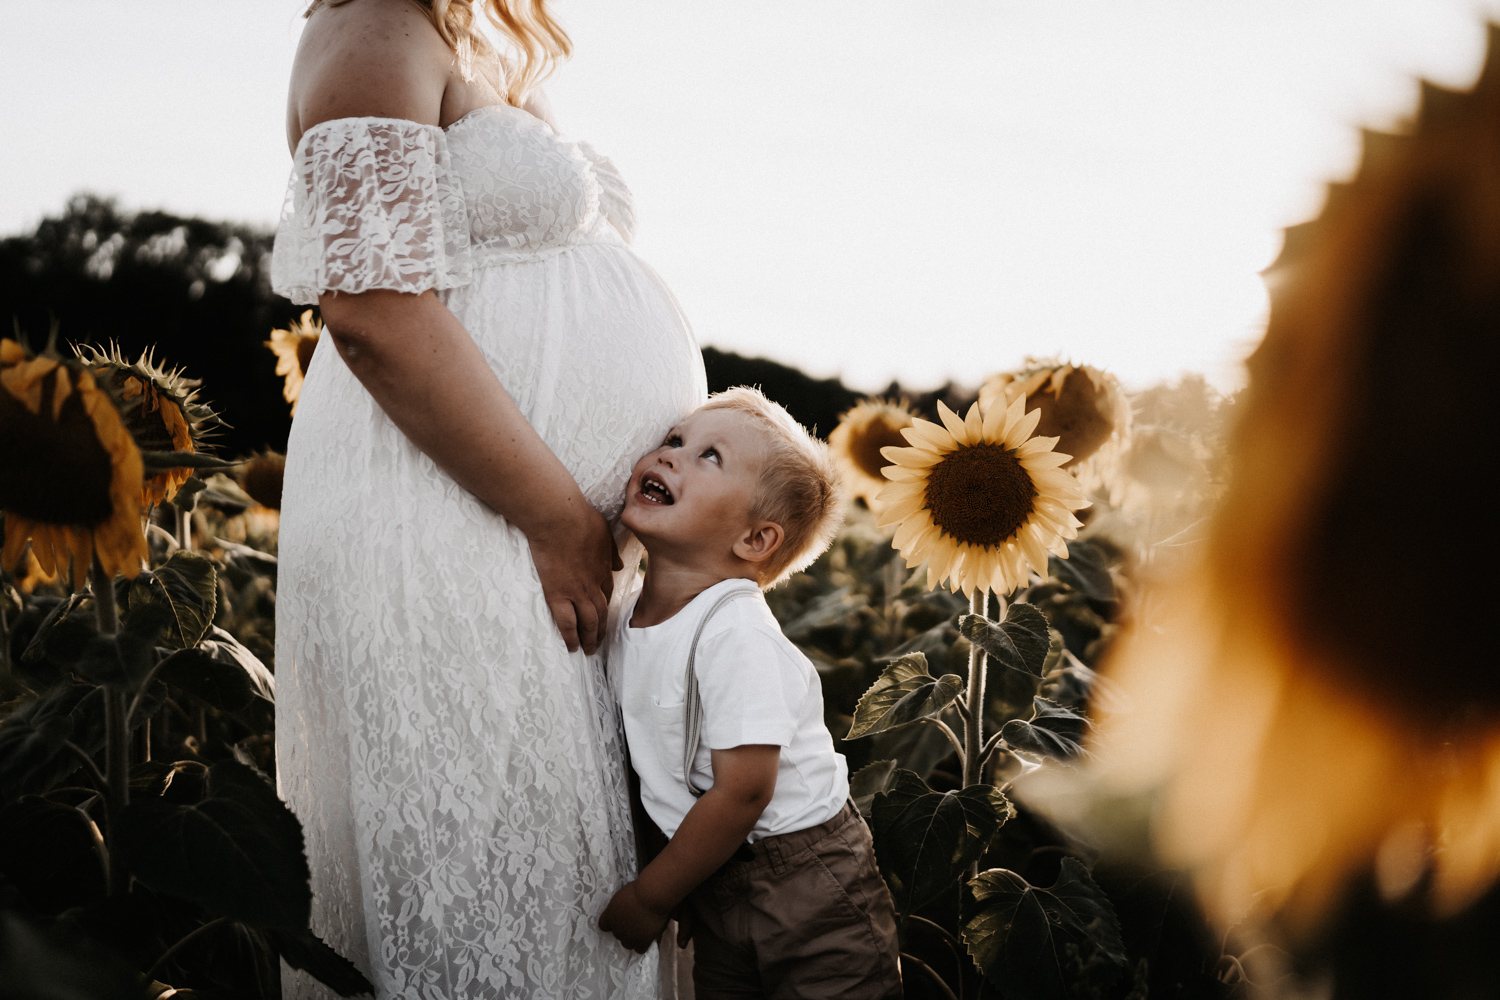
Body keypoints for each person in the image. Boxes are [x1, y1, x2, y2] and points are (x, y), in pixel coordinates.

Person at [269, 0, 704, 996]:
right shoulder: (370, 27)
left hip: (520, 528)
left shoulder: (477, 39)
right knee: (490, 860)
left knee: (564, 866)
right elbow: (370, 308)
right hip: (449, 517)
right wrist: (556, 515)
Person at [599, 389, 903, 1000]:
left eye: (710, 457)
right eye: (676, 439)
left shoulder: (734, 632)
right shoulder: (627, 612)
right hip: (717, 873)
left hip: (808, 882)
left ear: (755, 541)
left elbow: (745, 791)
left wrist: (653, 895)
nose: (670, 456)